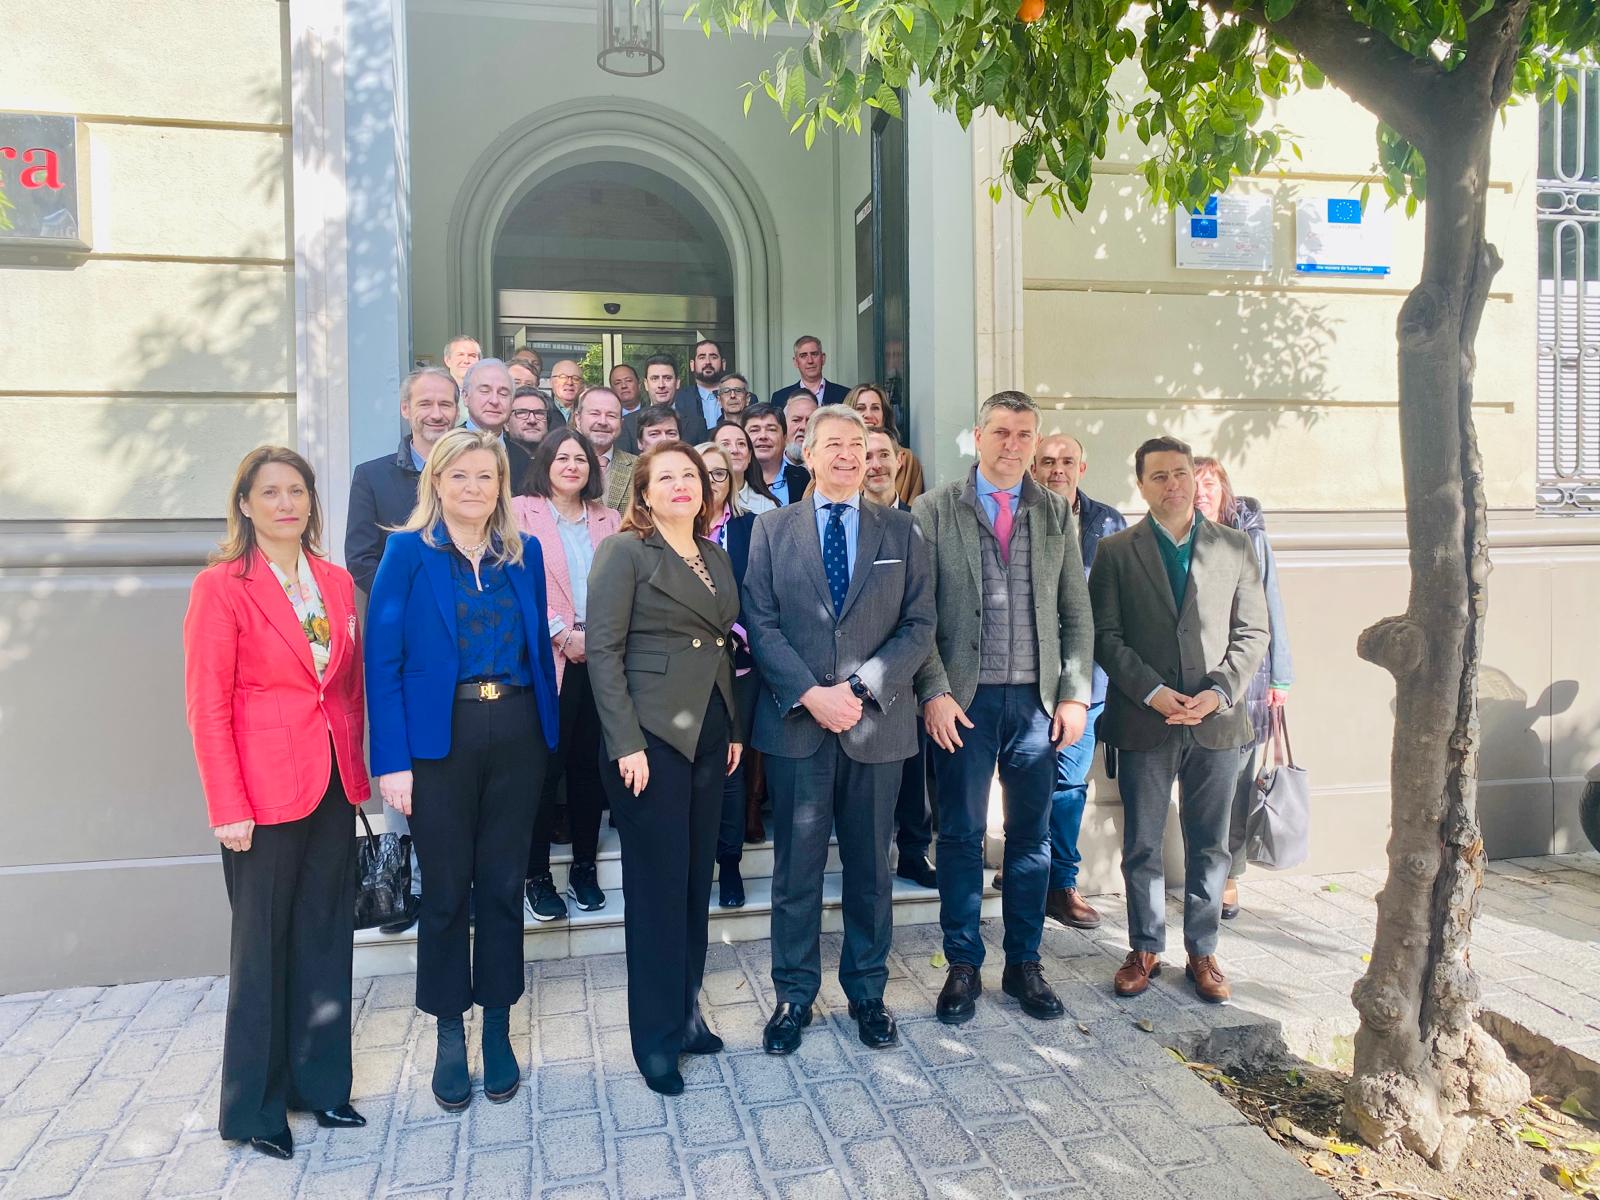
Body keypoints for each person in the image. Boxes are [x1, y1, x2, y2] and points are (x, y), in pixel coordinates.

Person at [365, 428, 561, 1110]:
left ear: (501, 485)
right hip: (438, 741)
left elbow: (536, 646)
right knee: (447, 891)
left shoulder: (523, 553)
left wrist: (547, 733)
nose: (474, 487)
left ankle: (498, 1025)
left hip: (516, 732)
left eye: (486, 476)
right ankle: (450, 1031)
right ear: (437, 483)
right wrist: (392, 761)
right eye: (460, 476)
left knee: (503, 885)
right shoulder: (406, 553)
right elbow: (382, 662)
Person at [183, 447, 369, 1160]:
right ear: (245, 504)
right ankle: (255, 1109)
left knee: (325, 937)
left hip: (331, 784)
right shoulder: (222, 587)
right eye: (270, 492)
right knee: (261, 950)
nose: (286, 503)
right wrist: (225, 803)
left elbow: (343, 689)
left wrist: (358, 771)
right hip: (259, 797)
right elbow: (207, 705)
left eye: (297, 490)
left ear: (311, 501)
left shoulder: (334, 581)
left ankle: (321, 1085)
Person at [745, 405, 935, 1055]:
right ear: (808, 452)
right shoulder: (771, 529)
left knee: (871, 870)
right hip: (798, 726)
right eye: (834, 444)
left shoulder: (902, 530)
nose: (849, 454)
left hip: (875, 725)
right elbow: (760, 622)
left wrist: (857, 689)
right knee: (796, 871)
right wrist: (810, 694)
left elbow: (920, 624)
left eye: (858, 443)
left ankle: (867, 992)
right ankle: (793, 995)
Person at [913, 391, 1094, 1026]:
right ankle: (962, 964)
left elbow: (1076, 612)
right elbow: (919, 615)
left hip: (1037, 706)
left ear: (1034, 442)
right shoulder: (934, 509)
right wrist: (934, 691)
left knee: (1031, 838)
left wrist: (1074, 694)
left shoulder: (1055, 512)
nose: (1012, 445)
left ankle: (1024, 964)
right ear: (978, 436)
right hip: (964, 703)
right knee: (961, 835)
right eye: (1000, 432)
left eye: (1023, 434)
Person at [586, 442, 743, 1096]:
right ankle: (654, 1040)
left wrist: (733, 727)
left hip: (709, 733)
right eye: (667, 477)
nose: (682, 484)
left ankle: (684, 1016)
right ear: (644, 493)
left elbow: (720, 648)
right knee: (656, 893)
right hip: (649, 741)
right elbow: (603, 651)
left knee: (694, 882)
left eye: (691, 476)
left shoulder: (714, 554)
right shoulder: (624, 552)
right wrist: (625, 743)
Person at [1089, 436, 1268, 1004]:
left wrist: (1218, 692)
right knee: (1142, 843)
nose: (1173, 485)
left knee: (1210, 844)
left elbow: (1253, 632)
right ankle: (1144, 947)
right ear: (1141, 485)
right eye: (1160, 476)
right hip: (1146, 721)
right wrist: (1152, 692)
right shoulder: (1117, 551)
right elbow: (1105, 636)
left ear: (1195, 478)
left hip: (1216, 723)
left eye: (1181, 473)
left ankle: (1202, 950)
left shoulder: (1235, 546)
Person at [1006, 433, 1128, 929]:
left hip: (1085, 681)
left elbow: (1116, 609)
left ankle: (1060, 883)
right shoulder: (1015, 514)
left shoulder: (1109, 524)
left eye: (1067, 461)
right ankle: (1023, 867)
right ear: (1033, 467)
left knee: (1068, 785)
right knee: (1020, 777)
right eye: (1048, 461)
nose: (1058, 469)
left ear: (1082, 467)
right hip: (1027, 677)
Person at [512, 429, 622, 923]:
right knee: (543, 770)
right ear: (546, 463)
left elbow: (620, 586)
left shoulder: (608, 518)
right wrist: (561, 634)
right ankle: (536, 875)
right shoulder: (520, 511)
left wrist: (596, 638)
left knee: (588, 768)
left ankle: (584, 868)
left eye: (581, 458)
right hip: (547, 658)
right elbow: (518, 584)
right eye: (562, 457)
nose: (573, 465)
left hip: (599, 657)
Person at [1193, 455, 1294, 921]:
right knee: (1199, 786)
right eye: (1194, 483)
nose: (1201, 492)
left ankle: (1229, 876)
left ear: (1224, 490)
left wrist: (1281, 677)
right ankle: (1201, 871)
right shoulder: (1178, 534)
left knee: (1236, 785)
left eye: (1210, 484)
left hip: (1247, 680)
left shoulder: (1250, 536)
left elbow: (1271, 604)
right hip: (1194, 679)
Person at [862, 426, 937, 888]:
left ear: (899, 460)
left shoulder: (919, 522)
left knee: (914, 769)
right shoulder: (844, 522)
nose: (875, 464)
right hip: (854, 670)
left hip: (909, 665)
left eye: (883, 455)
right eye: (866, 455)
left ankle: (913, 851)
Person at [697, 441, 758, 907]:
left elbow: (762, 590)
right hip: (685, 670)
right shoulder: (672, 528)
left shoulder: (750, 527)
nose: (711, 481)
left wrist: (737, 631)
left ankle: (730, 863)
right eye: (703, 472)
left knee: (733, 766)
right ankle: (695, 864)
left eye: (720, 473)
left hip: (740, 665)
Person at [346, 367, 459, 596]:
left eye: (445, 404)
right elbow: (361, 560)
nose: (436, 414)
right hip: (401, 610)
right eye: (425, 404)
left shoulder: (478, 476)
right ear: (405, 409)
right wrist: (410, 599)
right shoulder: (371, 476)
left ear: (457, 411)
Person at [461, 358, 534, 492]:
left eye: (503, 393)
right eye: (485, 391)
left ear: (512, 402)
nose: (494, 401)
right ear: (465, 397)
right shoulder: (446, 449)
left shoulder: (522, 459)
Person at [848, 383, 926, 504]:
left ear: (884, 416)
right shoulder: (836, 461)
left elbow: (915, 510)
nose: (868, 415)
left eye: (875, 408)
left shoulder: (907, 461)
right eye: (860, 408)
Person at [572, 386, 636, 511]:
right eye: (595, 414)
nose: (603, 422)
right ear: (578, 419)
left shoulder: (639, 466)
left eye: (611, 415)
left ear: (621, 423)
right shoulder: (560, 467)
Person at [744, 402, 810, 506]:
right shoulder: (734, 481)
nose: (763, 436)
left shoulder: (806, 479)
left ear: (784, 438)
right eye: (754, 430)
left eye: (771, 430)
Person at [713, 420, 779, 515]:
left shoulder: (766, 506)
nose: (735, 450)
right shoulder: (700, 498)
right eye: (725, 444)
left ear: (749, 456)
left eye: (741, 444)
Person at [769, 334, 849, 407]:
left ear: (823, 358)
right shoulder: (780, 397)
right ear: (796, 362)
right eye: (803, 356)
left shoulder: (845, 395)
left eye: (814, 354)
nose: (810, 361)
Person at [674, 338, 726, 443]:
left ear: (723, 363)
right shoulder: (679, 399)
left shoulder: (742, 397)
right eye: (702, 357)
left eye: (713, 357)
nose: (708, 362)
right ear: (692, 365)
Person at [508, 386, 552, 455]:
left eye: (539, 413)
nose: (532, 420)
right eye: (522, 413)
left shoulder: (561, 458)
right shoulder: (494, 459)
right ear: (506, 423)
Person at [782, 389, 818, 466]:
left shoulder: (828, 469)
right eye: (796, 420)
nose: (803, 427)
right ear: (784, 425)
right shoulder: (767, 467)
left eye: (809, 421)